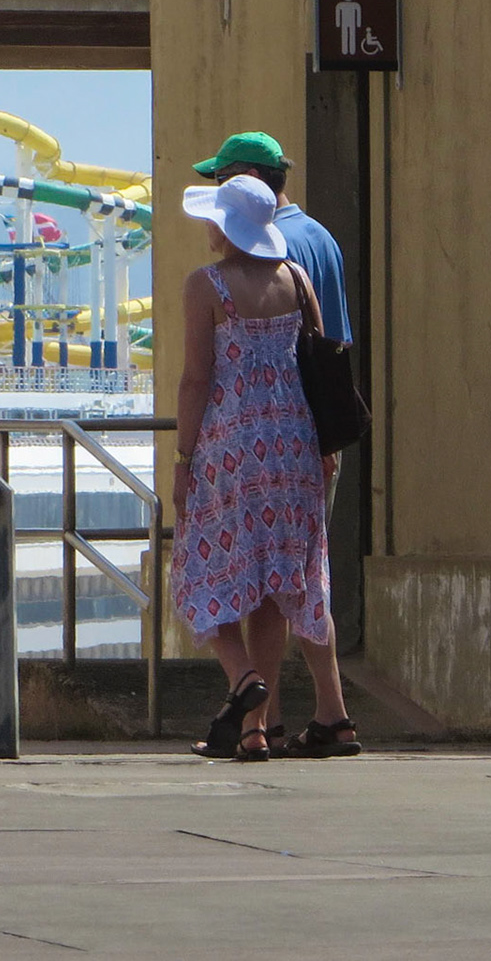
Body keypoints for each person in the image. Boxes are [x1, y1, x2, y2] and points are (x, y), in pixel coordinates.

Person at [172, 177, 361, 761]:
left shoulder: (206, 287)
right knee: (285, 582)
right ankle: (264, 729)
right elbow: (320, 363)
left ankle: (242, 682)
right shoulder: (297, 280)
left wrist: (183, 459)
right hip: (297, 447)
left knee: (205, 574)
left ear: (226, 227)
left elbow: (197, 378)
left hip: (231, 450)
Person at [193, 131, 350, 346]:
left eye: (221, 180)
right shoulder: (321, 235)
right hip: (326, 375)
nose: (219, 193)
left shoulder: (263, 245)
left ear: (253, 178)